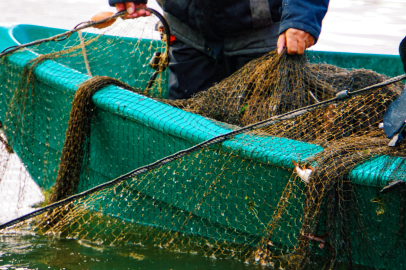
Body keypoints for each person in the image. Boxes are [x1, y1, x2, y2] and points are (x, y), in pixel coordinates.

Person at [109, 0, 330, 99]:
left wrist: (302, 18)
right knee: (185, 128)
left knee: (266, 136)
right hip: (189, 33)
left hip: (264, 41)